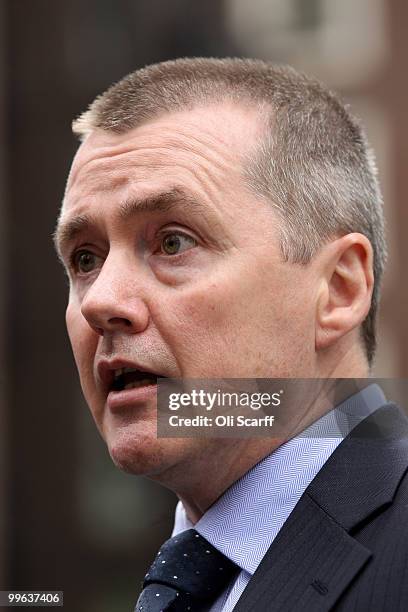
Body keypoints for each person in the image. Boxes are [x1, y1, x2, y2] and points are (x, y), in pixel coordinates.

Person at [54, 58, 408, 611]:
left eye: (173, 242)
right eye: (84, 258)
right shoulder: (191, 573)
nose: (101, 300)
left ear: (338, 290)